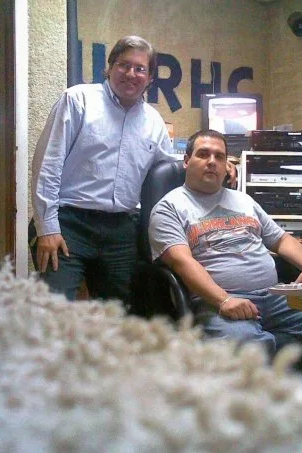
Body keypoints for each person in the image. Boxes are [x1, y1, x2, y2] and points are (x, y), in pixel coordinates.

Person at [31, 36, 235, 303]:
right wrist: (47, 228)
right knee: (54, 308)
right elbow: (47, 165)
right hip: (70, 224)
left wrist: (218, 164)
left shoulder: (153, 121)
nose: (131, 73)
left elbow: (170, 170)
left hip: (121, 231)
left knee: (121, 312)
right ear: (109, 68)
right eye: (123, 65)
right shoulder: (77, 100)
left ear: (150, 78)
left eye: (140, 69)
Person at [148, 129, 302, 356]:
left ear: (226, 165)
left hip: (275, 297)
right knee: (251, 346)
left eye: (219, 156)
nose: (212, 161)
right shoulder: (168, 208)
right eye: (203, 154)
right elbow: (182, 262)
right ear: (186, 160)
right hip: (216, 302)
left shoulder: (244, 201)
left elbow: (281, 239)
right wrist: (225, 300)